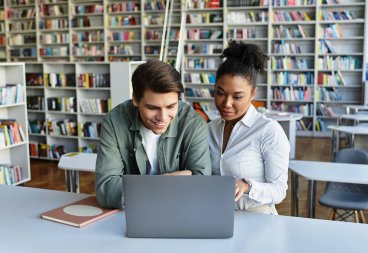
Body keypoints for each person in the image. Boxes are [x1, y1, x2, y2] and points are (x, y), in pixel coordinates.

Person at [96, 60, 212, 209]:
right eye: (152, 108)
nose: (163, 118)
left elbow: (201, 185)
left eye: (171, 106)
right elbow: (106, 189)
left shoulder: (194, 124)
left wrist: (136, 189)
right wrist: (163, 182)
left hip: (179, 210)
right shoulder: (114, 121)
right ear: (136, 100)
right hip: (131, 214)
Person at [208, 41, 290, 214]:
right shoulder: (210, 129)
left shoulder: (268, 131)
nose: (226, 104)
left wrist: (247, 186)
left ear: (253, 94)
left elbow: (279, 191)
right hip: (216, 216)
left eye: (237, 97)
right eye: (220, 93)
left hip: (257, 218)